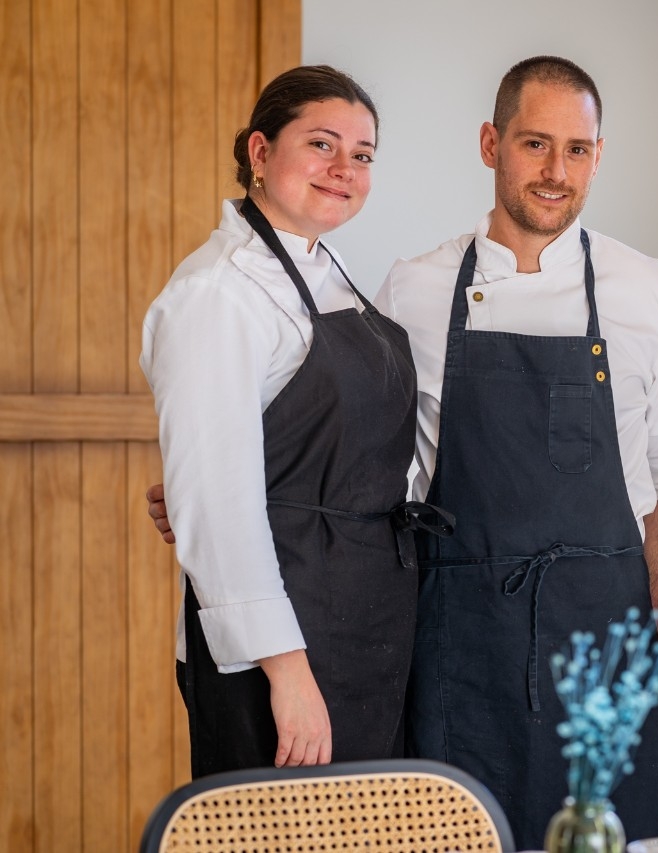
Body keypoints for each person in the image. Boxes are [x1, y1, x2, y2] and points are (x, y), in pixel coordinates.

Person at [374, 56, 658, 848]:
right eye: (535, 144)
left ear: (599, 155)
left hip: (601, 647)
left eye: (577, 149)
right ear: (491, 143)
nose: (556, 172)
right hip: (465, 636)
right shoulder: (414, 290)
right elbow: (370, 455)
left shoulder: (646, 289)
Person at [140, 65, 437, 777]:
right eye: (323, 145)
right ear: (260, 152)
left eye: (362, 155)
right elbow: (218, 510)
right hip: (281, 647)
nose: (344, 170)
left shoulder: (325, 270)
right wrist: (288, 674)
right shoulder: (215, 295)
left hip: (364, 616)